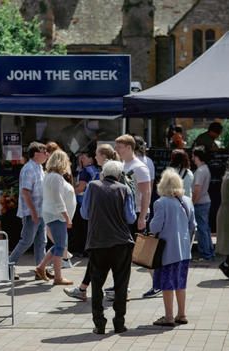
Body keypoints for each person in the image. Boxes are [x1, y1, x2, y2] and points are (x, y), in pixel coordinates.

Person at [80, 160, 136, 334]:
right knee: (121, 283)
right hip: (121, 243)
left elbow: (84, 213)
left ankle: (99, 323)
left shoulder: (92, 186)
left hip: (98, 242)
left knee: (97, 284)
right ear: (119, 175)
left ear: (103, 173)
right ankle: (119, 322)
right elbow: (131, 218)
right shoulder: (124, 189)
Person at [63, 143, 120, 301]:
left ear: (104, 156)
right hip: (116, 226)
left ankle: (115, 289)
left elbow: (85, 210)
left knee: (100, 257)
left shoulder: (96, 177)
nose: (95, 157)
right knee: (106, 258)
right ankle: (86, 288)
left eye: (96, 154)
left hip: (101, 224)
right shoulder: (114, 174)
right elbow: (129, 214)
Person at [150, 169, 196, 327]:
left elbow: (155, 227)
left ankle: (169, 316)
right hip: (184, 249)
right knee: (180, 283)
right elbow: (193, 226)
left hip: (167, 250)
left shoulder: (161, 202)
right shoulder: (187, 201)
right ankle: (182, 314)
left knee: (167, 283)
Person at [114, 134, 153, 297]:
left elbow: (147, 192)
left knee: (141, 253)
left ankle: (157, 283)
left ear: (129, 148)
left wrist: (142, 216)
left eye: (120, 147)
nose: (117, 150)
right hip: (126, 213)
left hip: (137, 213)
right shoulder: (123, 164)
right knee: (125, 252)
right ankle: (121, 285)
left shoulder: (139, 167)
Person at [35, 150, 76, 285]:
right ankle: (58, 277)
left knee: (59, 245)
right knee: (60, 246)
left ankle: (41, 267)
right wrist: (66, 216)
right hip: (56, 215)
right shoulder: (56, 177)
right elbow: (58, 198)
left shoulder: (51, 176)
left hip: (53, 214)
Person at [9, 142, 49, 278]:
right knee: (26, 240)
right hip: (32, 212)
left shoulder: (39, 167)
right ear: (36, 153)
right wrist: (33, 212)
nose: (47, 154)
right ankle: (8, 265)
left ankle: (40, 269)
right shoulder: (29, 169)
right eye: (44, 152)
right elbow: (25, 192)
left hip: (41, 211)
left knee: (41, 241)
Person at [72, 150, 99, 255]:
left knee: (81, 229)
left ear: (91, 159)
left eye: (84, 157)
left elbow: (81, 188)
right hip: (92, 202)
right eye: (80, 158)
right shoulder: (96, 170)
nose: (81, 160)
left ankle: (82, 250)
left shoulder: (85, 171)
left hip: (82, 203)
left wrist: (69, 192)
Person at [191, 147, 215, 261]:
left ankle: (206, 254)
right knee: (205, 228)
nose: (192, 158)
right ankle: (209, 252)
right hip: (205, 201)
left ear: (197, 157)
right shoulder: (205, 168)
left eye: (193, 156)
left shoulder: (200, 171)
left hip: (200, 202)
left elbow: (197, 189)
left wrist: (192, 202)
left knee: (202, 229)